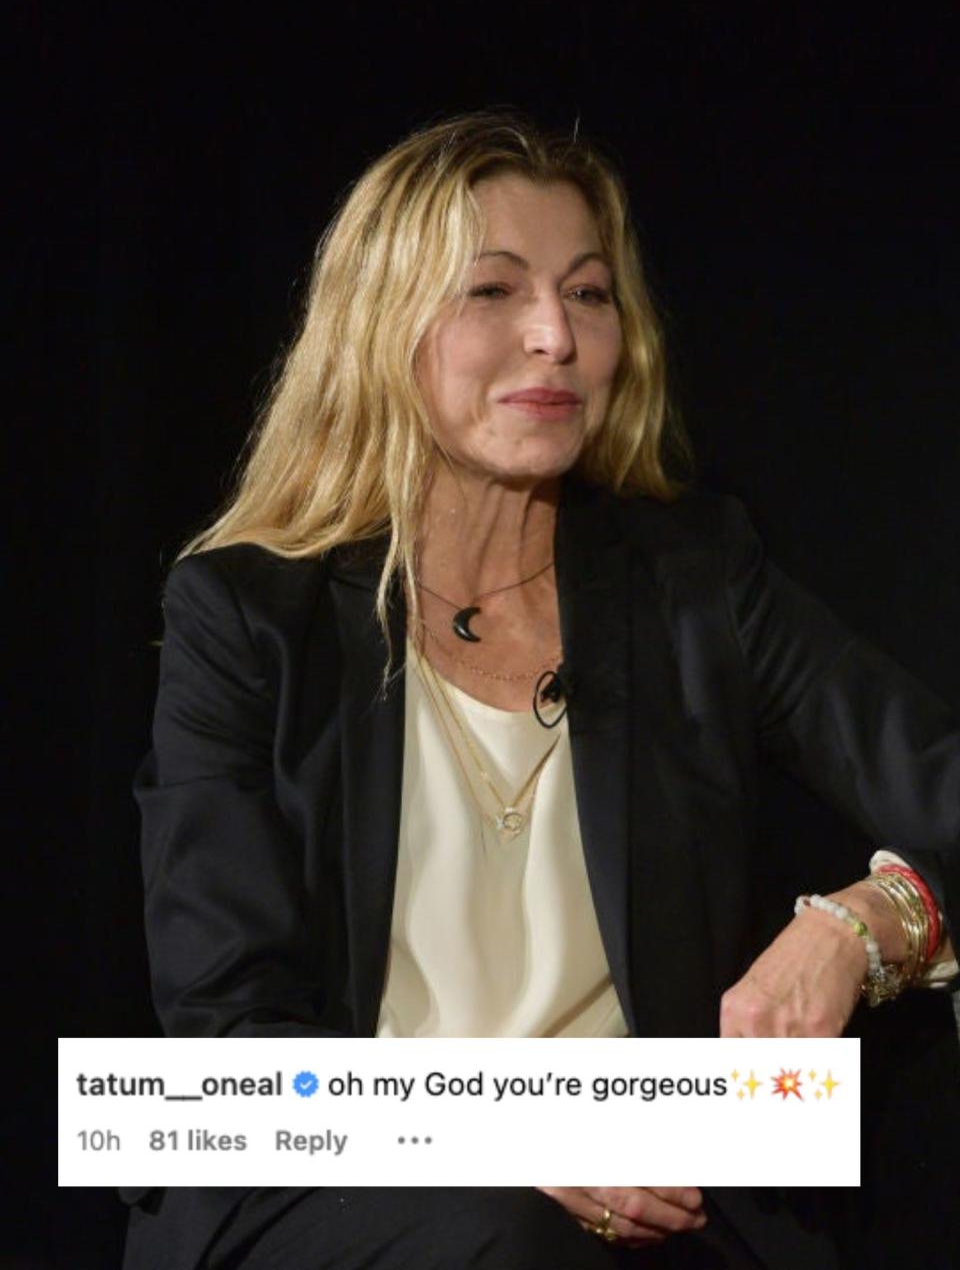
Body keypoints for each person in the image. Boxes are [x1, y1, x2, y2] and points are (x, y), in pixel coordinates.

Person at [122, 111, 959, 1269]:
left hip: (660, 1199)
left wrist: (869, 923)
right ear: (382, 328)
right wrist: (492, 1133)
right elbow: (228, 1036)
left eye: (589, 294)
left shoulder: (697, 581)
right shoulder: (246, 616)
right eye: (493, 292)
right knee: (504, 1233)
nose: (555, 338)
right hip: (340, 1184)